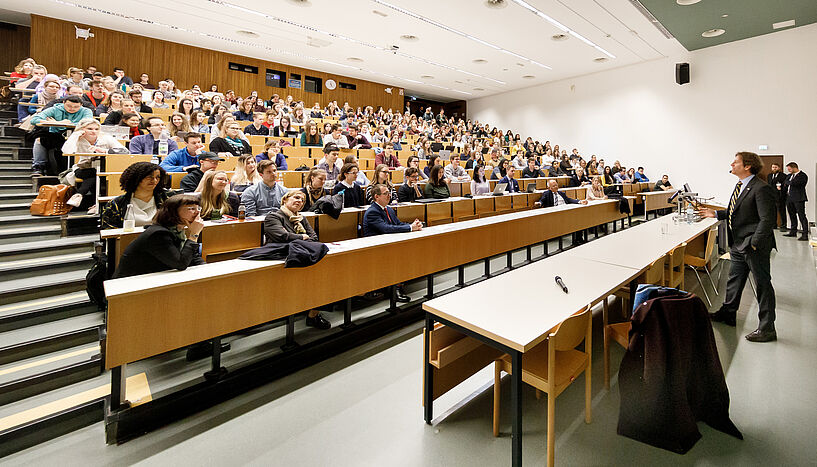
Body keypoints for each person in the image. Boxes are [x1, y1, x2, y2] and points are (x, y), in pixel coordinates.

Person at [700, 152, 778, 343]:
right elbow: (737, 211)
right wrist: (716, 214)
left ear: (747, 166)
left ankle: (767, 328)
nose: (732, 164)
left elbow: (767, 220)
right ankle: (728, 313)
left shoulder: (761, 188)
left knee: (763, 285)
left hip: (753, 246)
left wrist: (754, 243)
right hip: (739, 244)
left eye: (735, 162)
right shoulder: (741, 185)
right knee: (734, 280)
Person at [262, 190, 329, 329]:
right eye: (296, 198)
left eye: (303, 200)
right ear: (285, 200)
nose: (299, 201)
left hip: (302, 253)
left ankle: (313, 313)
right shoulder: (273, 217)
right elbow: (281, 237)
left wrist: (299, 238)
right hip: (282, 256)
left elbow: (314, 237)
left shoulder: (301, 218)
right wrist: (302, 237)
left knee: (323, 275)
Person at [112, 194, 204, 278]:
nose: (197, 213)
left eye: (198, 208)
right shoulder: (158, 234)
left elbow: (193, 257)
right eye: (191, 209)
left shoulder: (178, 231)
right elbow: (180, 263)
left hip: (155, 277)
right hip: (130, 284)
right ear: (174, 211)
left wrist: (207, 269)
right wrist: (193, 235)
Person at [61, 118, 126, 210]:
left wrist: (105, 151)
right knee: (94, 173)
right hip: (83, 168)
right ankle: (96, 205)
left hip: (105, 168)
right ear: (82, 129)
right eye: (90, 129)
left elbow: (124, 151)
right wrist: (75, 135)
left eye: (96, 129)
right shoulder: (78, 139)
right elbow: (67, 151)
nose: (94, 131)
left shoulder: (105, 137)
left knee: (98, 174)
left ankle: (79, 195)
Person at [29, 96, 93, 176]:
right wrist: (57, 123)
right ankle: (39, 167)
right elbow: (34, 120)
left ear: (81, 105)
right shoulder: (55, 109)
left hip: (76, 135)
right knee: (39, 140)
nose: (72, 109)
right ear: (63, 103)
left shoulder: (86, 111)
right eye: (69, 106)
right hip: (55, 134)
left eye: (76, 107)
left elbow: (88, 123)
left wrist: (62, 123)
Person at [100, 162, 172, 229]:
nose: (155, 181)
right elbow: (109, 230)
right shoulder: (116, 204)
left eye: (157, 177)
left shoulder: (167, 199)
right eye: (149, 177)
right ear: (136, 179)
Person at [782, 161, 809, 240]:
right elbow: (785, 183)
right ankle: (793, 231)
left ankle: (805, 234)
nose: (789, 171)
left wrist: (788, 182)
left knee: (802, 216)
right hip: (789, 198)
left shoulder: (803, 176)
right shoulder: (789, 175)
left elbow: (796, 183)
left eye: (790, 169)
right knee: (792, 215)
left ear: (794, 168)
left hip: (799, 198)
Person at [767, 163, 788, 230]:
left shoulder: (783, 176)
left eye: (776, 167)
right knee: (773, 211)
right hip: (771, 196)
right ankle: (774, 225)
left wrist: (781, 188)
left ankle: (783, 225)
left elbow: (785, 186)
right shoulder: (769, 176)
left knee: (782, 211)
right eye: (773, 167)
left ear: (779, 168)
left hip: (780, 196)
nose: (774, 168)